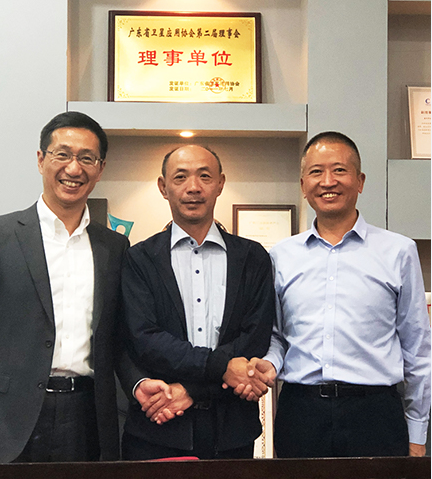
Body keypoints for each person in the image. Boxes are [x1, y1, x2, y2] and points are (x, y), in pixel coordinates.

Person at [0, 111, 168, 464]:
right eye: (62, 154)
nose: (74, 168)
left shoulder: (113, 246)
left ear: (100, 168)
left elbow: (117, 338)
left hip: (88, 416)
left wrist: (137, 383)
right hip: (9, 418)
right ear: (41, 160)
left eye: (87, 158)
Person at [242, 131, 431, 458]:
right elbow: (277, 336)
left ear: (360, 181)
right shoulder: (280, 255)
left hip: (375, 415)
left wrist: (417, 434)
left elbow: (418, 349)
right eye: (316, 172)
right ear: (303, 185)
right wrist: (269, 364)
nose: (328, 181)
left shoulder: (398, 252)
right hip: (301, 413)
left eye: (340, 170)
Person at [120, 145, 275, 460]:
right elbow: (145, 340)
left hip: (232, 432)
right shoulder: (139, 259)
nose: (193, 187)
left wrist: (191, 390)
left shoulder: (253, 257)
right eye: (180, 177)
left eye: (205, 176)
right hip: (158, 426)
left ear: (220, 184)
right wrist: (221, 367)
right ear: (163, 187)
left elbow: (255, 338)